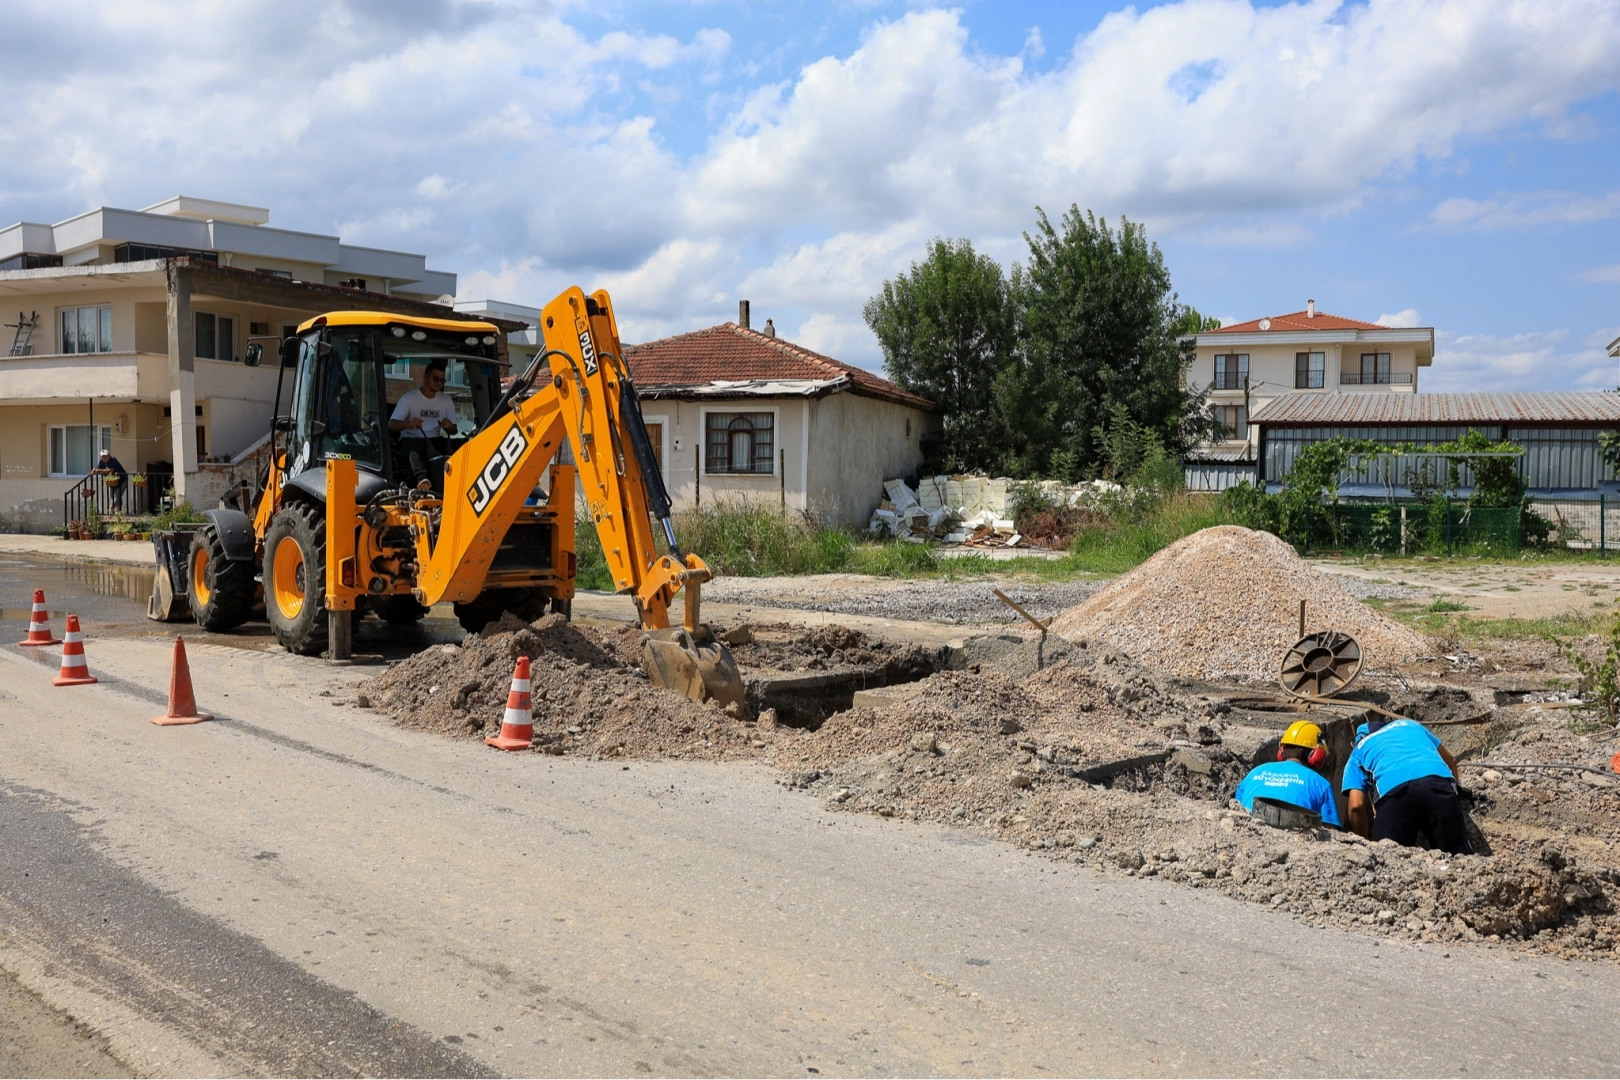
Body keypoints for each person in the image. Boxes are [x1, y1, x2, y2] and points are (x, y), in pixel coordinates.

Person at [1341, 717, 1470, 854]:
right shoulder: (1411, 725)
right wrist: (1455, 800)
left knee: (1388, 859)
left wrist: (1366, 847)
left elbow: (1356, 806)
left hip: (1395, 793)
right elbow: (1451, 761)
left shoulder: (1359, 749)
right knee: (1458, 857)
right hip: (1439, 783)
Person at [1234, 720, 1341, 828]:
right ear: (1316, 756)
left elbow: (1236, 809)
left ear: (1281, 750)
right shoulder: (1321, 785)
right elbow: (1330, 832)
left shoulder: (1253, 773)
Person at [389, 359, 457, 488]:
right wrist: (410, 424)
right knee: (415, 445)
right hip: (410, 439)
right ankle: (422, 479)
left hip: (434, 440)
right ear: (425, 377)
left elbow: (454, 430)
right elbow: (391, 424)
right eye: (435, 379)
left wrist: (449, 426)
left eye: (442, 380)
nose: (439, 383)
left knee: (460, 443)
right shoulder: (409, 398)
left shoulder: (446, 400)